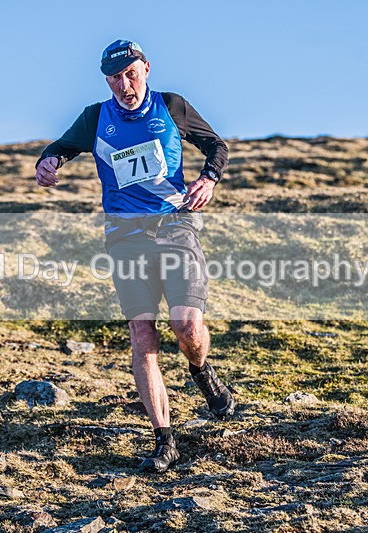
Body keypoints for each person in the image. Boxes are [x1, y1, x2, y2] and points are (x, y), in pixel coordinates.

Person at [35, 40, 233, 473]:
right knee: (143, 335)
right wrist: (48, 162)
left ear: (146, 68)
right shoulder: (95, 117)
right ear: (106, 80)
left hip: (175, 228)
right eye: (115, 79)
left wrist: (208, 179)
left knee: (186, 326)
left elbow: (216, 145)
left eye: (131, 74)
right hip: (124, 237)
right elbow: (61, 146)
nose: (124, 85)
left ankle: (200, 369)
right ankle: (165, 440)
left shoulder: (171, 105)